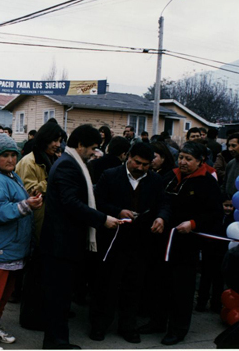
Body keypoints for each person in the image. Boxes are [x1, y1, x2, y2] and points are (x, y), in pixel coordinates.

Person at [40, 124, 121, 349]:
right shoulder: (68, 165)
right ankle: (57, 342)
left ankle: (56, 340)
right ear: (80, 145)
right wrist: (102, 219)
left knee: (61, 296)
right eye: (93, 148)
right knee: (59, 297)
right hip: (60, 244)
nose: (95, 153)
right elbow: (71, 203)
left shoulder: (71, 162)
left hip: (62, 242)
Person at [138, 141, 224, 346]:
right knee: (160, 284)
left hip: (186, 244)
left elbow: (215, 214)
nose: (183, 162)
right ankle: (158, 321)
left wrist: (193, 223)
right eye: (181, 157)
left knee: (181, 289)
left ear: (200, 161)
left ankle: (178, 329)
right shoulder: (170, 176)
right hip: (163, 239)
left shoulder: (207, 182)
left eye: (189, 159)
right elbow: (161, 201)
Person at [89, 143, 170, 344]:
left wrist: (161, 217)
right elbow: (98, 202)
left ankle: (128, 326)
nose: (140, 168)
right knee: (107, 284)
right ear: (128, 157)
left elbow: (164, 203)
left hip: (141, 241)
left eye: (145, 165)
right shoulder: (110, 175)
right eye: (137, 162)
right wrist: (117, 211)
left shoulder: (155, 180)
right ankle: (100, 325)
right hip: (113, 240)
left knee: (134, 285)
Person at [0, 133, 42, 350]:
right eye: (5, 155)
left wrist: (28, 199)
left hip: (12, 248)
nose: (11, 159)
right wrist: (26, 206)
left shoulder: (11, 176)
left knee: (3, 294)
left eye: (13, 155)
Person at [14, 120, 62, 330]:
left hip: (51, 223)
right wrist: (53, 179)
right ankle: (30, 318)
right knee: (34, 275)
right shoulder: (28, 161)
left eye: (60, 140)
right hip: (35, 223)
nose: (57, 144)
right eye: (54, 140)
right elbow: (29, 191)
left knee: (46, 275)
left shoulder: (54, 158)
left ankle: (43, 313)